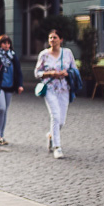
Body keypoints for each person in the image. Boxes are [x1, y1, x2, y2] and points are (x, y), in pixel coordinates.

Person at [35, 28, 76, 160]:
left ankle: (51, 135)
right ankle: (57, 147)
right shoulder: (44, 55)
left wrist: (67, 73)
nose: (52, 40)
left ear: (61, 40)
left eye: (55, 37)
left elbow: (74, 70)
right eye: (50, 38)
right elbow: (37, 73)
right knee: (55, 116)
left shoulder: (68, 53)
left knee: (62, 121)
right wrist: (50, 74)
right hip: (50, 89)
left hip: (64, 89)